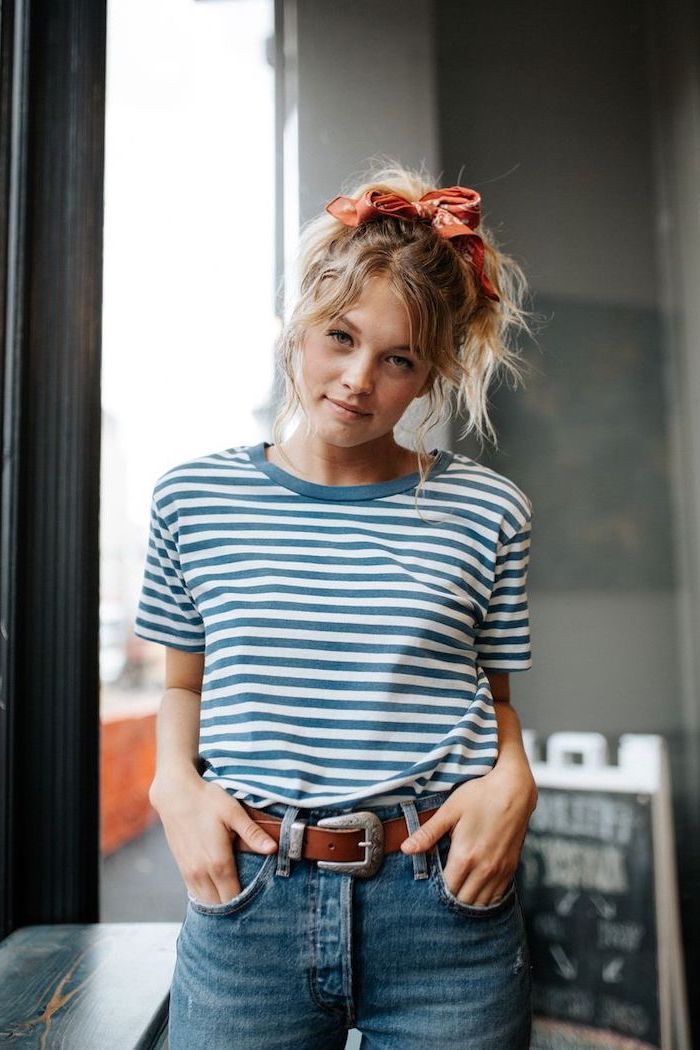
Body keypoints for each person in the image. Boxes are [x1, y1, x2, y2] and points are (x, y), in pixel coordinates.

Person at [134, 161, 538, 1050]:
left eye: (398, 359)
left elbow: (495, 700)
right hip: (248, 900)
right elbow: (180, 689)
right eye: (340, 337)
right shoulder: (191, 500)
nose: (359, 378)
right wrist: (175, 787)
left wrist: (516, 777)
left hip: (444, 904)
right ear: (298, 326)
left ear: (432, 375)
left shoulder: (487, 509)